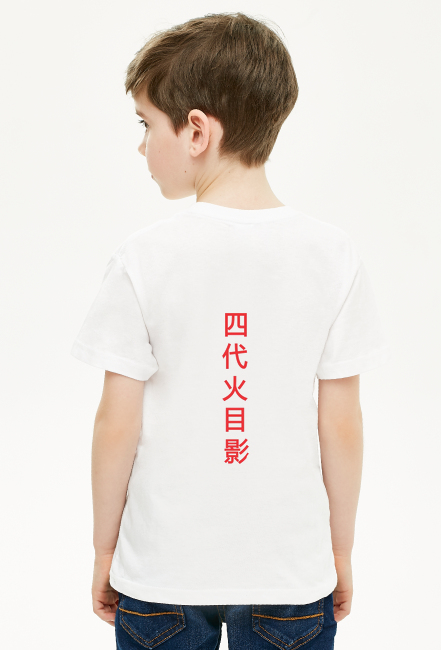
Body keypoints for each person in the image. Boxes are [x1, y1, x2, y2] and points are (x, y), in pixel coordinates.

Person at [70, 12, 390, 650]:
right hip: (289, 573)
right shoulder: (333, 256)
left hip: (161, 572)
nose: (141, 146)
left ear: (196, 131)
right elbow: (342, 424)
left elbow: (116, 423)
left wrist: (105, 548)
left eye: (146, 124)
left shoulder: (144, 259)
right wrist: (338, 551)